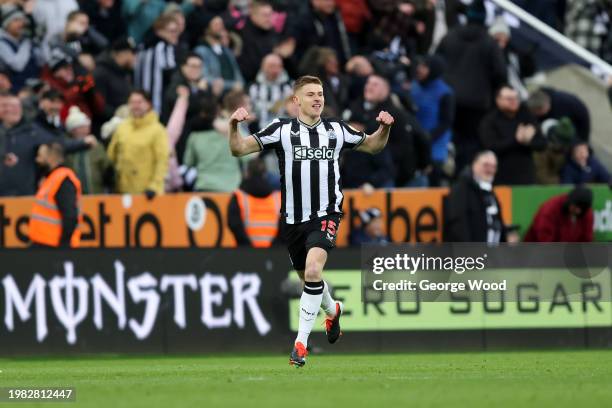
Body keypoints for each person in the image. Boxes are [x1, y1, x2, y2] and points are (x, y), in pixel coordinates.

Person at [228, 75, 394, 367]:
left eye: (320, 94)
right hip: (293, 220)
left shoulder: (336, 129)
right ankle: (333, 311)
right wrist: (233, 126)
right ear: (296, 101)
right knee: (309, 278)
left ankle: (300, 345)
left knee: (315, 270)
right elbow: (239, 149)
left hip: (326, 213)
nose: (318, 99)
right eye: (310, 94)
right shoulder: (280, 130)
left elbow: (373, 146)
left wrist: (384, 128)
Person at [436, 0, 507, 173]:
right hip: (477, 104)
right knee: (470, 144)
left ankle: (444, 169)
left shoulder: (450, 36)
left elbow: (436, 62)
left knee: (447, 136)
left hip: (450, 98)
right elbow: (500, 74)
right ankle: (463, 174)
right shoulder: (489, 42)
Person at [344, 74, 430, 187]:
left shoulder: (396, 115)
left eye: (375, 84)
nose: (369, 87)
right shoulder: (355, 109)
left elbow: (415, 140)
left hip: (388, 176)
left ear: (386, 89)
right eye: (368, 83)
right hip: (357, 177)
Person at [0, 94, 94, 196]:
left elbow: (58, 144)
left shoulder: (32, 132)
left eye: (14, 106)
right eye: (5, 105)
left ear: (21, 108)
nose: (9, 109)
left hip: (25, 197)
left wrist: (83, 143)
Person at [479, 85, 546, 185]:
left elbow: (542, 144)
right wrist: (516, 140)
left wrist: (528, 141)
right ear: (498, 100)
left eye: (516, 98)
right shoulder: (490, 120)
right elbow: (490, 146)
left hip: (526, 175)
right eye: (509, 99)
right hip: (501, 176)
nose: (513, 101)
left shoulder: (527, 116)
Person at [107, 90, 169, 197]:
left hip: (148, 194)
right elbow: (111, 155)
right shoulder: (122, 128)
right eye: (132, 102)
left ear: (148, 104)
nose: (136, 106)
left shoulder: (157, 130)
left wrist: (154, 186)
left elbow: (162, 161)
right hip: (123, 192)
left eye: (139, 102)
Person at [182, 94, 241, 192]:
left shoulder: (194, 137)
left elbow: (188, 162)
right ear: (217, 112)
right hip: (231, 187)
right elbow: (249, 156)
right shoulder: (231, 130)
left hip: (205, 186)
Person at [444, 150, 506, 243]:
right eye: (486, 165)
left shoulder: (489, 190)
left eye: (493, 166)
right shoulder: (461, 190)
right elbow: (458, 226)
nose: (490, 170)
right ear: (474, 164)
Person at [411, 55, 454, 186]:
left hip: (435, 146)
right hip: (415, 144)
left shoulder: (445, 92)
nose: (419, 69)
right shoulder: (414, 87)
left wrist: (427, 138)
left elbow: (446, 122)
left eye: (425, 67)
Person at [29, 142, 82, 248]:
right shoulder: (52, 178)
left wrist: (63, 246)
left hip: (53, 246)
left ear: (51, 157)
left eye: (40, 156)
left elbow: (70, 216)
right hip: (43, 243)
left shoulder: (63, 179)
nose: (37, 160)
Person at [228, 158, 282, 247]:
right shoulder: (278, 198)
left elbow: (234, 225)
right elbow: (285, 228)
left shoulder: (238, 197)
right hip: (274, 254)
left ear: (247, 173)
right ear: (265, 174)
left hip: (246, 254)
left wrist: (248, 247)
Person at [134, 14, 181, 114]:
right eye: (172, 31)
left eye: (177, 31)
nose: (175, 35)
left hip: (140, 101)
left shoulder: (142, 47)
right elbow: (171, 73)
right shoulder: (164, 47)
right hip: (158, 103)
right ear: (159, 31)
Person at [64, 106, 114, 194]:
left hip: (95, 193)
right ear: (73, 130)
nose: (85, 130)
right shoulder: (66, 148)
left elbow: (106, 168)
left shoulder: (96, 147)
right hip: (73, 196)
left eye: (86, 127)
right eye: (81, 127)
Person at [193, 16, 244, 96]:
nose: (221, 27)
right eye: (216, 24)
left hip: (233, 96)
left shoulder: (227, 51)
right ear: (207, 28)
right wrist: (232, 85)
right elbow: (204, 77)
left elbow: (237, 72)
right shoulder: (201, 50)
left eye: (221, 24)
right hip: (214, 96)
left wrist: (240, 84)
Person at [524, 186, 594, 242]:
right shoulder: (550, 208)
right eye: (576, 207)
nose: (578, 211)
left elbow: (586, 239)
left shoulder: (587, 213)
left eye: (581, 209)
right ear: (570, 201)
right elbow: (544, 238)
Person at [93, 37, 136, 123]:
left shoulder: (123, 72)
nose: (134, 58)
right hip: (108, 126)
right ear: (123, 54)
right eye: (132, 54)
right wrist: (117, 114)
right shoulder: (100, 73)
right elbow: (97, 105)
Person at [0, 4, 40, 92]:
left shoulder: (23, 38)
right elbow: (17, 65)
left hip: (33, 85)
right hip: (14, 89)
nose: (20, 24)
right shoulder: (2, 42)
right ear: (6, 24)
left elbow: (40, 61)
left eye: (21, 20)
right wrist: (27, 43)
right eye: (16, 20)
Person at [527, 88, 591, 142]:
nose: (535, 115)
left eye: (535, 113)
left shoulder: (562, 107)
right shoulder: (542, 100)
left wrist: (582, 142)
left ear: (543, 108)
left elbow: (583, 120)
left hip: (578, 129)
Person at [248, 53, 293, 130]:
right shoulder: (253, 87)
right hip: (258, 130)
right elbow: (249, 109)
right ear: (263, 67)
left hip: (284, 129)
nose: (275, 70)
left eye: (279, 66)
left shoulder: (290, 86)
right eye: (271, 66)